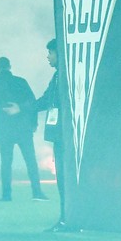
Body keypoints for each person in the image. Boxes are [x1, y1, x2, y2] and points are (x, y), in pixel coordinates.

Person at [0, 57, 47, 201]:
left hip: (4, 129)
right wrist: (34, 124)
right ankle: (37, 192)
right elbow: (32, 103)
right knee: (30, 161)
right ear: (10, 66)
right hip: (23, 128)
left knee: (6, 163)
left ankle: (6, 195)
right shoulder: (21, 82)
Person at [35, 39, 71, 230]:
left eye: (51, 53)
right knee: (64, 178)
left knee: (65, 179)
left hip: (66, 136)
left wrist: (23, 109)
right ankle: (67, 218)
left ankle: (67, 219)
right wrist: (25, 109)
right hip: (61, 135)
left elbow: (46, 100)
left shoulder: (64, 77)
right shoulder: (58, 77)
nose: (48, 57)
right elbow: (45, 100)